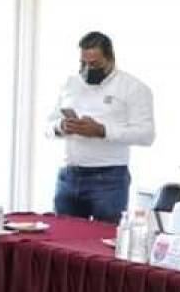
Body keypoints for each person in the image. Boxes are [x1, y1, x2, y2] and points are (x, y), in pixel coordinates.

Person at [45, 31, 154, 222]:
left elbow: (146, 135)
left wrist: (102, 131)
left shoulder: (133, 87)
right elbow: (47, 127)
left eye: (94, 64)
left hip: (109, 179)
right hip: (69, 175)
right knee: (63, 235)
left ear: (110, 59)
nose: (88, 69)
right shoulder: (70, 84)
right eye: (83, 63)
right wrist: (61, 126)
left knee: (105, 237)